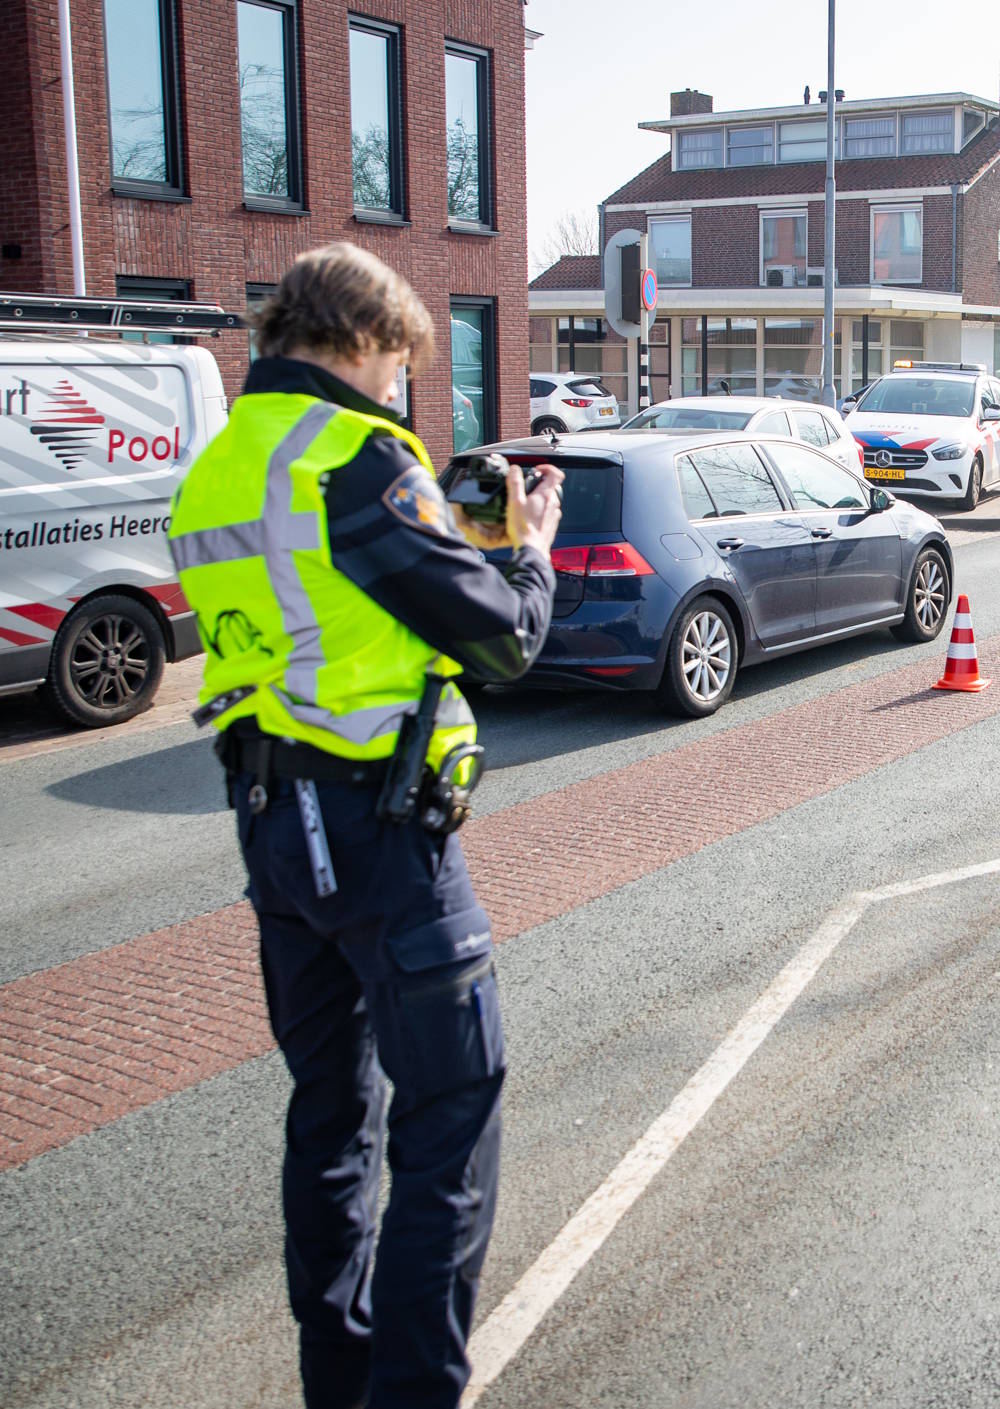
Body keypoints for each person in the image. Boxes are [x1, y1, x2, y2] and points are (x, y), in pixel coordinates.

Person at [167, 243, 564, 1409]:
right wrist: (526, 549)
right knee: (448, 1118)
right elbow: (500, 638)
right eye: (401, 365)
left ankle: (335, 1379)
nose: (402, 391)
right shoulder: (355, 458)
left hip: (271, 826)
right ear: (363, 339)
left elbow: (319, 619)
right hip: (382, 833)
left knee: (329, 1114)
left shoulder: (221, 465)